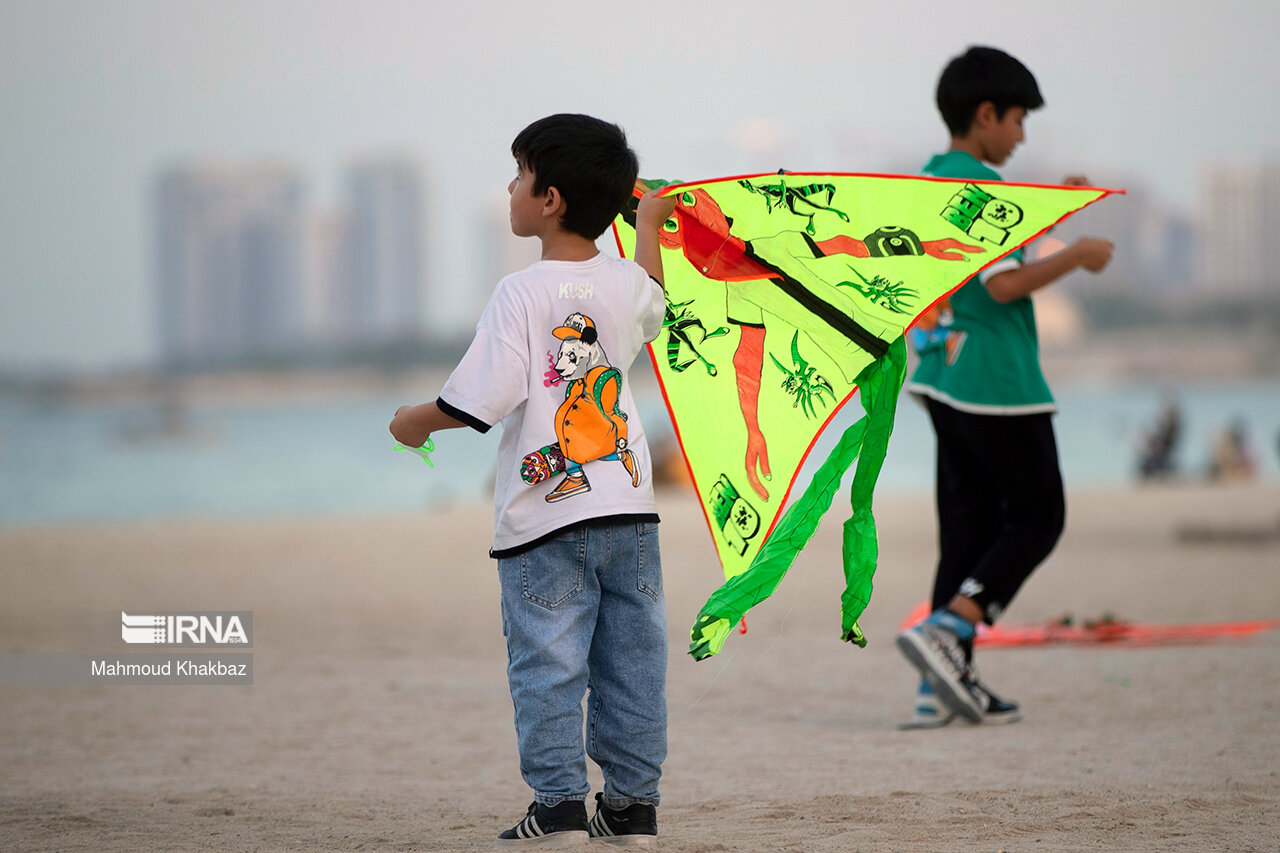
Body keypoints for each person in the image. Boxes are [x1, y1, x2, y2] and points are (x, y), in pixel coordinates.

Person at [389, 114, 675, 846]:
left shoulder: (519, 293)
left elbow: (476, 401)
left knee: (549, 667)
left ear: (548, 198)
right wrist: (648, 222)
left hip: (545, 520)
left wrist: (414, 420)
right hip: (631, 514)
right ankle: (633, 807)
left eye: (517, 175)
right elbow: (652, 295)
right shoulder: (621, 283)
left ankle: (557, 809)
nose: (510, 188)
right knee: (634, 664)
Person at [895, 47, 1115, 728]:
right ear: (986, 114)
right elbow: (1000, 281)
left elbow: (975, 255)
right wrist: (1074, 254)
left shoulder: (935, 181)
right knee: (1039, 514)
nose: (1022, 135)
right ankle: (952, 629)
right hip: (996, 378)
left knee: (967, 528)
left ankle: (937, 690)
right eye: (1018, 120)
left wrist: (1048, 218)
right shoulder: (986, 191)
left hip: (940, 370)